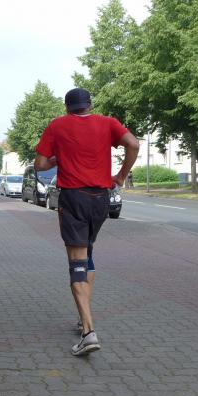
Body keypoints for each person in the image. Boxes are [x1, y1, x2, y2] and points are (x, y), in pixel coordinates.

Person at [35, 88, 139, 356]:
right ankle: (84, 319)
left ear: (67, 107)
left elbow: (39, 164)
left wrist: (59, 157)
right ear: (90, 105)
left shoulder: (57, 126)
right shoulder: (108, 123)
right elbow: (134, 144)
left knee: (76, 264)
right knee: (88, 254)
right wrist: (121, 176)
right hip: (100, 200)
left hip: (74, 198)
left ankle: (88, 333)